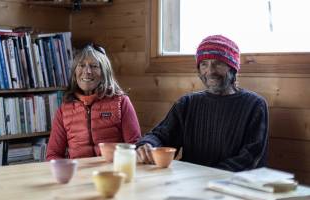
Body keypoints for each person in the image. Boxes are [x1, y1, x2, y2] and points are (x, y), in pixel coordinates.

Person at [136, 35, 268, 172]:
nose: (210, 71)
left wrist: (208, 176)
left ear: (232, 68)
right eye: (204, 64)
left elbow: (250, 158)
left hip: (233, 187)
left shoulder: (254, 105)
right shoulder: (187, 103)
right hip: (190, 183)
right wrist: (147, 145)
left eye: (218, 63)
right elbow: (161, 136)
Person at [46, 44, 141, 160]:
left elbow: (134, 146)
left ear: (104, 73)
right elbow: (53, 154)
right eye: (81, 65)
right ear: (75, 74)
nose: (87, 71)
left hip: (112, 172)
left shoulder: (121, 102)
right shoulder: (64, 110)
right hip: (78, 175)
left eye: (94, 66)